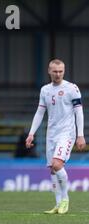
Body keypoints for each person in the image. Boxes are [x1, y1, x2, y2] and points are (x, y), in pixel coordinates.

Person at [26, 59, 85, 214]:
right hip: (51, 134)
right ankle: (58, 204)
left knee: (57, 164)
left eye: (61, 71)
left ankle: (65, 199)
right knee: (52, 169)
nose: (58, 74)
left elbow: (79, 112)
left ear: (64, 71)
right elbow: (40, 112)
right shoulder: (45, 90)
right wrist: (31, 133)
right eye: (55, 71)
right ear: (49, 71)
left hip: (67, 133)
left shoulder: (72, 88)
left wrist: (80, 135)